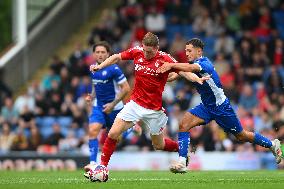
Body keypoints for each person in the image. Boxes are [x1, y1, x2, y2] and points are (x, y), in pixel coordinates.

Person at [157, 38, 284, 173]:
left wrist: (171, 64)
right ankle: (182, 161)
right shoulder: (191, 65)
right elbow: (175, 75)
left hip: (221, 107)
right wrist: (160, 74)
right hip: (206, 106)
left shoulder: (205, 64)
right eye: (185, 51)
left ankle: (272, 144)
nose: (187, 53)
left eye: (189, 51)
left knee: (241, 136)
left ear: (199, 51)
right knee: (183, 124)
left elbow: (188, 68)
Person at [87, 32, 209, 169]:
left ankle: (183, 151)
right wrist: (100, 65)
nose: (145, 54)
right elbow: (116, 57)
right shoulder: (137, 52)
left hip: (154, 110)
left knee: (158, 145)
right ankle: (102, 168)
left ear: (157, 48)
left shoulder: (165, 58)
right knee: (113, 133)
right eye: (144, 49)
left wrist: (197, 79)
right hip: (135, 104)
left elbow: (184, 72)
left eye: (149, 52)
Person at [85, 41, 131, 166]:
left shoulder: (114, 69)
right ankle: (93, 163)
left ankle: (131, 129)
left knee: (116, 136)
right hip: (98, 106)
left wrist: (112, 104)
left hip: (115, 108)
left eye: (103, 52)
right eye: (97, 52)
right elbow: (96, 84)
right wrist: (92, 96)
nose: (100, 55)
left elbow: (126, 89)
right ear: (94, 54)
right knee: (93, 130)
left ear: (108, 54)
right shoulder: (93, 68)